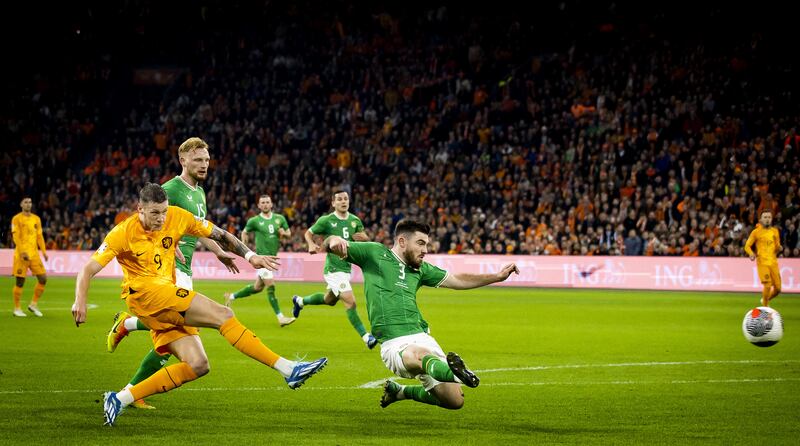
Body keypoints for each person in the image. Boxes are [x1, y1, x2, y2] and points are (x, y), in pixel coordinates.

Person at [72, 183, 328, 426]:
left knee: (198, 365)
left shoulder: (176, 216)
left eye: (163, 211)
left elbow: (220, 234)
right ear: (140, 209)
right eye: (154, 213)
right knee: (223, 314)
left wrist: (250, 256)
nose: (160, 218)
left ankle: (119, 399)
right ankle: (288, 369)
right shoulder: (122, 232)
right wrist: (79, 301)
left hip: (164, 299)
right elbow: (87, 270)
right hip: (145, 295)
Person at [322, 219, 519, 410]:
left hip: (421, 335)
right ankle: (458, 375)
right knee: (418, 355)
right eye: (420, 243)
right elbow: (329, 243)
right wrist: (333, 241)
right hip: (394, 343)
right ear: (402, 241)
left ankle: (401, 392)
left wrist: (497, 276)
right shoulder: (374, 253)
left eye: (426, 244)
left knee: (454, 401)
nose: (425, 250)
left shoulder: (421, 269)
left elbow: (457, 280)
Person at [105, 137, 238, 410]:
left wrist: (216, 250)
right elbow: (147, 221)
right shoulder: (171, 189)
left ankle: (129, 352)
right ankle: (131, 387)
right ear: (183, 160)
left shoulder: (199, 193)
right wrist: (168, 246)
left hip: (186, 266)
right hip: (169, 269)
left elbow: (195, 228)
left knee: (174, 335)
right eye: (198, 160)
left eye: (206, 160)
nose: (204, 165)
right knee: (179, 332)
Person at [292, 190, 377, 349]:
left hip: (346, 268)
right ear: (333, 203)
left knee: (328, 300)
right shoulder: (326, 220)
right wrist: (311, 244)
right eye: (339, 199)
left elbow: (362, 238)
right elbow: (308, 233)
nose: (343, 201)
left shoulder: (355, 220)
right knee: (350, 302)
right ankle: (366, 337)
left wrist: (364, 239)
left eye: (345, 199)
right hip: (333, 269)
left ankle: (300, 301)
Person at [224, 194, 296, 327]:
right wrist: (244, 247)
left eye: (267, 202)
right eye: (262, 202)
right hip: (262, 259)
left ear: (271, 204)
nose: (265, 204)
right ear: (258, 205)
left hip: (272, 258)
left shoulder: (279, 219)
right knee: (271, 285)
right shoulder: (254, 221)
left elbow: (289, 234)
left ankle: (231, 296)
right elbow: (245, 232)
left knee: (257, 288)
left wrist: (283, 233)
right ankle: (280, 317)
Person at [10, 197, 48, 317]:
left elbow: (39, 237)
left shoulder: (36, 219)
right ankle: (17, 308)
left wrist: (44, 252)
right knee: (20, 282)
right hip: (21, 255)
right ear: (21, 204)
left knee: (43, 279)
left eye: (30, 202)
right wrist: (22, 252)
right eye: (25, 202)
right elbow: (16, 237)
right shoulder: (16, 219)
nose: (28, 204)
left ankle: (33, 304)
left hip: (34, 254)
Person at [745, 209, 783, 307]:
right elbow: (747, 246)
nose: (767, 219)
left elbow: (777, 247)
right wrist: (751, 253)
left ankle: (765, 300)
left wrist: (779, 248)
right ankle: (765, 308)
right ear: (761, 219)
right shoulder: (756, 232)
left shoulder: (775, 231)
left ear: (771, 219)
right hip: (762, 262)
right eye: (765, 217)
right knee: (767, 284)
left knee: (778, 289)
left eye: (769, 217)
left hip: (773, 262)